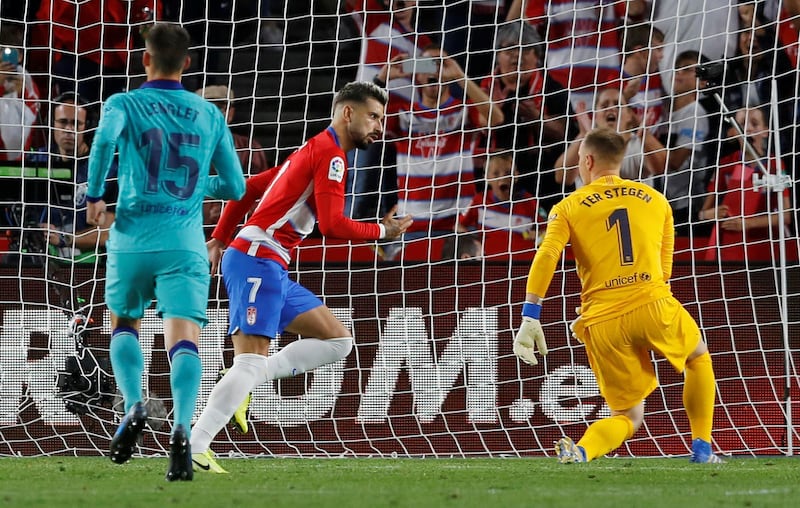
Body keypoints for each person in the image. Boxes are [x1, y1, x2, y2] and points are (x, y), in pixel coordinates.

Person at [189, 81, 412, 474]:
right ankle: (195, 446)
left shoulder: (312, 149)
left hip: (265, 261)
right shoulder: (331, 157)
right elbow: (332, 223)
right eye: (373, 116)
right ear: (348, 113)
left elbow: (247, 187)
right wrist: (382, 232)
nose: (379, 126)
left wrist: (220, 237)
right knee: (249, 362)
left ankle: (247, 381)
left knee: (338, 340)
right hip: (258, 258)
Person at [85, 23, 246, 481]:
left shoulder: (124, 103)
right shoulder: (209, 113)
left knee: (123, 322)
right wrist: (197, 188)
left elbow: (102, 142)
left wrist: (96, 196)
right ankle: (179, 427)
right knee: (184, 337)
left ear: (144, 59)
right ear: (188, 64)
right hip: (184, 241)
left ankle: (133, 404)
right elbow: (235, 186)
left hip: (133, 235)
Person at [513, 127, 722, 464]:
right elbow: (664, 268)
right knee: (697, 359)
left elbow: (547, 255)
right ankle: (702, 447)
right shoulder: (657, 200)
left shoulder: (568, 206)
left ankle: (582, 450)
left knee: (628, 417)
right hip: (653, 303)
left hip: (603, 321)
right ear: (621, 161)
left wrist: (530, 314)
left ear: (588, 161)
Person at [376, 45, 504, 260]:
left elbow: (496, 118)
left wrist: (459, 76)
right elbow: (362, 119)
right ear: (417, 74)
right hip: (412, 224)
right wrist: (381, 79)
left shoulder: (463, 110)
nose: (434, 71)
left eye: (440, 64)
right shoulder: (402, 113)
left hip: (458, 224)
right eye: (427, 65)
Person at [30, 93, 117, 262]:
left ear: (88, 127)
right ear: (52, 125)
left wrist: (65, 239)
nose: (69, 129)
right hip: (42, 255)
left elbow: (107, 233)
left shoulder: (106, 170)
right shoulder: (36, 162)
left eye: (76, 124)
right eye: (63, 122)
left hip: (89, 261)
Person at [699, 107, 792, 262]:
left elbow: (786, 216)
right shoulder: (724, 165)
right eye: (742, 124)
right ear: (733, 132)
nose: (748, 129)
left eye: (754, 124)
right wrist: (708, 214)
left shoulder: (777, 165)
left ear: (765, 131)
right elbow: (702, 213)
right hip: (731, 247)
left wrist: (747, 224)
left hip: (766, 246)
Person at [555, 88, 666, 189]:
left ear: (629, 115)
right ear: (595, 116)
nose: (612, 109)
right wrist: (583, 136)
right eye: (604, 106)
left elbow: (661, 168)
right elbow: (562, 177)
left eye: (618, 105)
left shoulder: (638, 144)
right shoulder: (584, 144)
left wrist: (645, 136)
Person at [456, 151, 545, 256]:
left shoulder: (531, 202)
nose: (502, 178)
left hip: (522, 266)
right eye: (496, 173)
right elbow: (458, 226)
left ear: (516, 175)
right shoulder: (479, 201)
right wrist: (473, 244)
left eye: (508, 173)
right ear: (487, 178)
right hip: (490, 266)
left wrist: (538, 237)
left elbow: (548, 233)